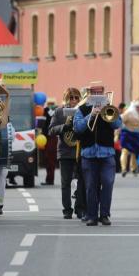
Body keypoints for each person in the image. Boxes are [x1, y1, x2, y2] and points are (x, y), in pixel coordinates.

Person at [73, 83, 122, 226]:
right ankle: (92, 216)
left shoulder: (110, 108)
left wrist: (106, 111)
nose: (96, 95)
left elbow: (117, 124)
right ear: (89, 94)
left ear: (103, 93)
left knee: (108, 183)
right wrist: (91, 114)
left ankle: (105, 215)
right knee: (90, 186)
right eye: (93, 92)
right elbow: (77, 128)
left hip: (106, 153)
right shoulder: (81, 109)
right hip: (88, 154)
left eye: (99, 92)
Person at [48, 87, 85, 219]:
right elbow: (51, 130)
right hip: (64, 151)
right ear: (66, 98)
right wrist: (64, 127)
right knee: (65, 183)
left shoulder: (82, 110)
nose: (74, 100)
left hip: (79, 151)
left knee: (82, 181)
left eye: (76, 97)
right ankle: (67, 210)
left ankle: (79, 208)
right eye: (71, 97)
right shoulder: (59, 112)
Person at [42, 98, 58, 185]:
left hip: (52, 137)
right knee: (47, 159)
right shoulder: (46, 111)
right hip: (46, 138)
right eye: (49, 103)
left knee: (51, 159)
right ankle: (48, 179)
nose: (50, 105)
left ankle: (50, 179)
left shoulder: (56, 111)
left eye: (52, 103)